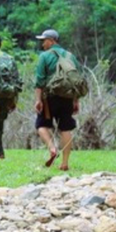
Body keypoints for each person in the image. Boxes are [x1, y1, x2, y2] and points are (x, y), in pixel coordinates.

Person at [34, 29, 82, 171]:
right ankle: (65, 163)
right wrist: (76, 100)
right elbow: (77, 80)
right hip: (67, 97)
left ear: (52, 40)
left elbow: (40, 81)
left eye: (44, 41)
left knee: (41, 125)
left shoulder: (45, 56)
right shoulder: (70, 56)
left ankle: (52, 148)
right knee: (65, 128)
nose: (43, 44)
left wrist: (38, 100)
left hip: (49, 97)